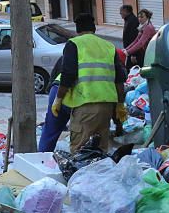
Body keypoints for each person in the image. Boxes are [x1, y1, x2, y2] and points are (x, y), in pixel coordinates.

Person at [52, 14, 127, 151]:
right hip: (107, 107)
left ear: (77, 29)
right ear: (94, 29)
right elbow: (119, 80)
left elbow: (68, 74)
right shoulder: (109, 46)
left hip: (85, 106)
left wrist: (58, 99)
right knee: (100, 152)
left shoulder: (74, 44)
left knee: (80, 152)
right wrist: (120, 105)